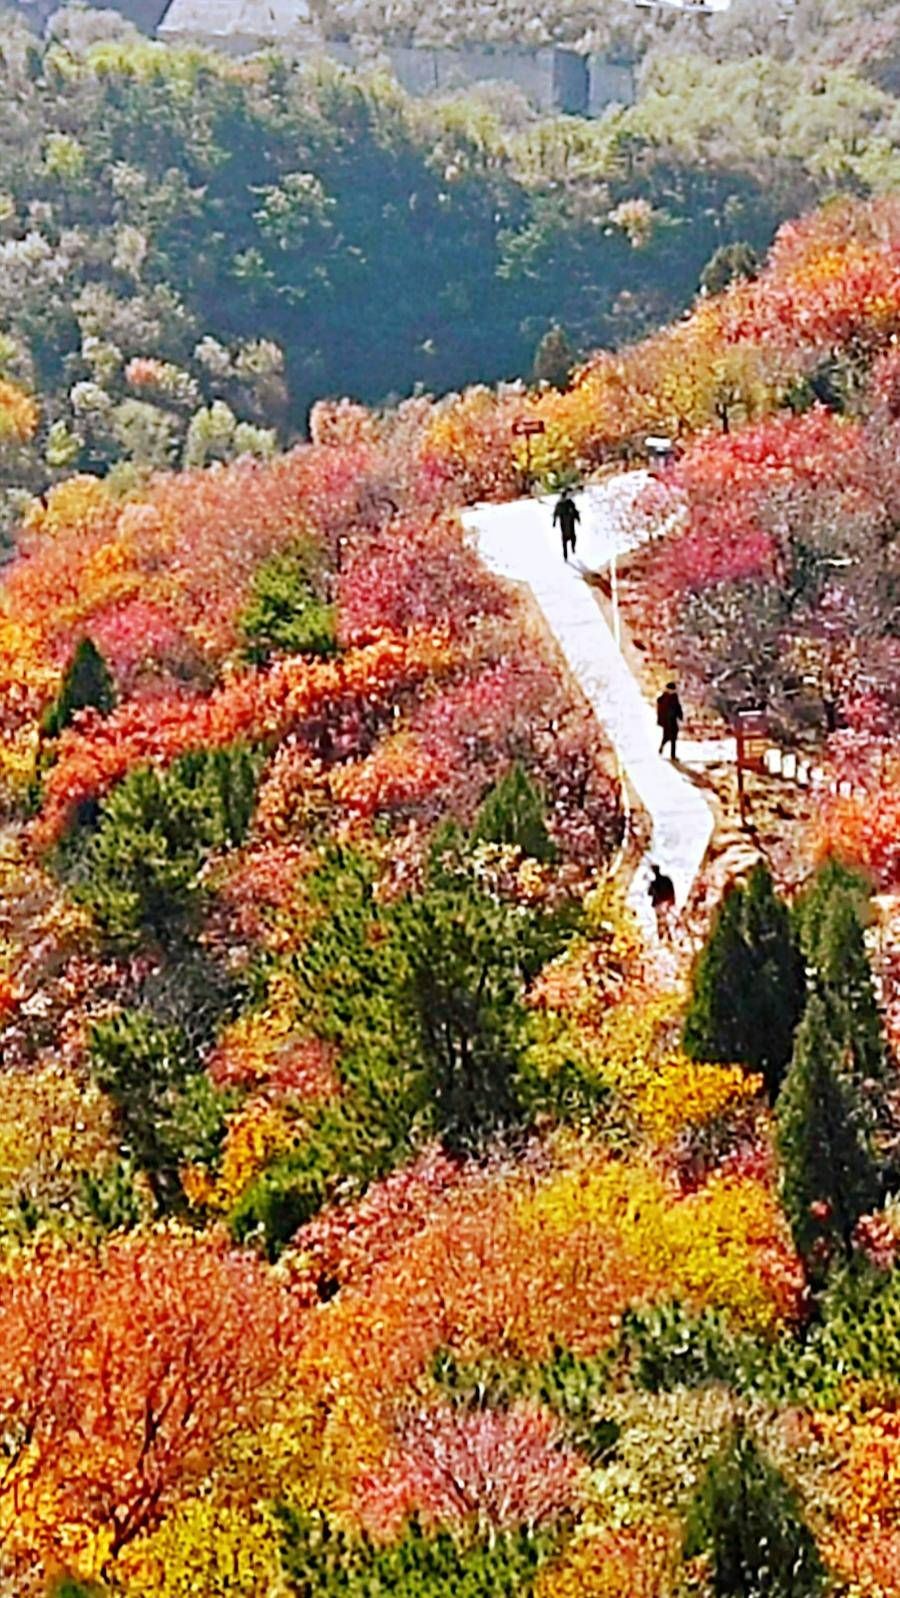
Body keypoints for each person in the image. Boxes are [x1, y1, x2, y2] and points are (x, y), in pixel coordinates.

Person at [656, 680, 684, 759]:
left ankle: (672, 755)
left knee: (672, 738)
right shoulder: (665, 697)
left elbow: (678, 707)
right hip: (667, 721)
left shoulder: (673, 696)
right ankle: (663, 748)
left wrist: (680, 716)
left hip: (672, 720)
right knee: (667, 737)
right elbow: (662, 707)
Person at [648, 863, 676, 938]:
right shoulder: (664, 880)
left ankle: (664, 935)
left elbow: (649, 893)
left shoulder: (655, 882)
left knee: (662, 919)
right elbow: (650, 893)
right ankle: (665, 935)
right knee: (663, 919)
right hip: (663, 902)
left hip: (661, 903)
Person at [553, 490, 580, 562]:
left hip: (568, 522)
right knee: (569, 537)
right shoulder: (564, 503)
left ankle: (570, 550)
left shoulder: (564, 503)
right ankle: (567, 553)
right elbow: (575, 512)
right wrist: (578, 519)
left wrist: (554, 522)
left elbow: (555, 513)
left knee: (569, 537)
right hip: (567, 523)